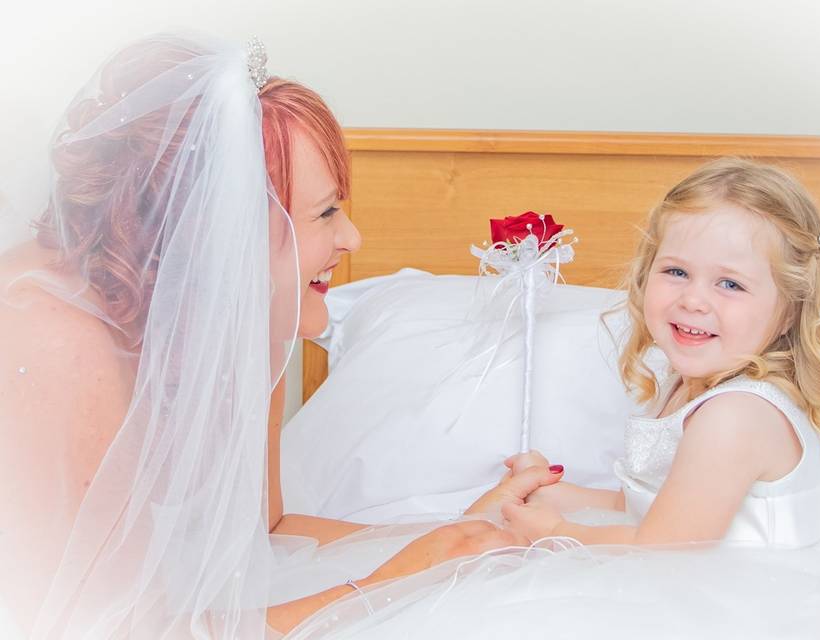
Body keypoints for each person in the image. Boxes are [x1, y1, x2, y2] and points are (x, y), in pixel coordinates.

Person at [0, 33, 558, 638]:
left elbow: (265, 529)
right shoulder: (51, 342)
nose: (352, 239)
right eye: (325, 214)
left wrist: (462, 531)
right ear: (219, 230)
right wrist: (382, 584)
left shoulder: (246, 312)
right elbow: (108, 628)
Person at [502, 157, 820, 560]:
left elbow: (664, 551)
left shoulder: (736, 415)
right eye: (677, 272)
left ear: (789, 310)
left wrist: (557, 531)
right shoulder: (691, 386)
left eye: (730, 283)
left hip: (750, 601)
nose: (693, 300)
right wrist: (555, 494)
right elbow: (653, 507)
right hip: (687, 568)